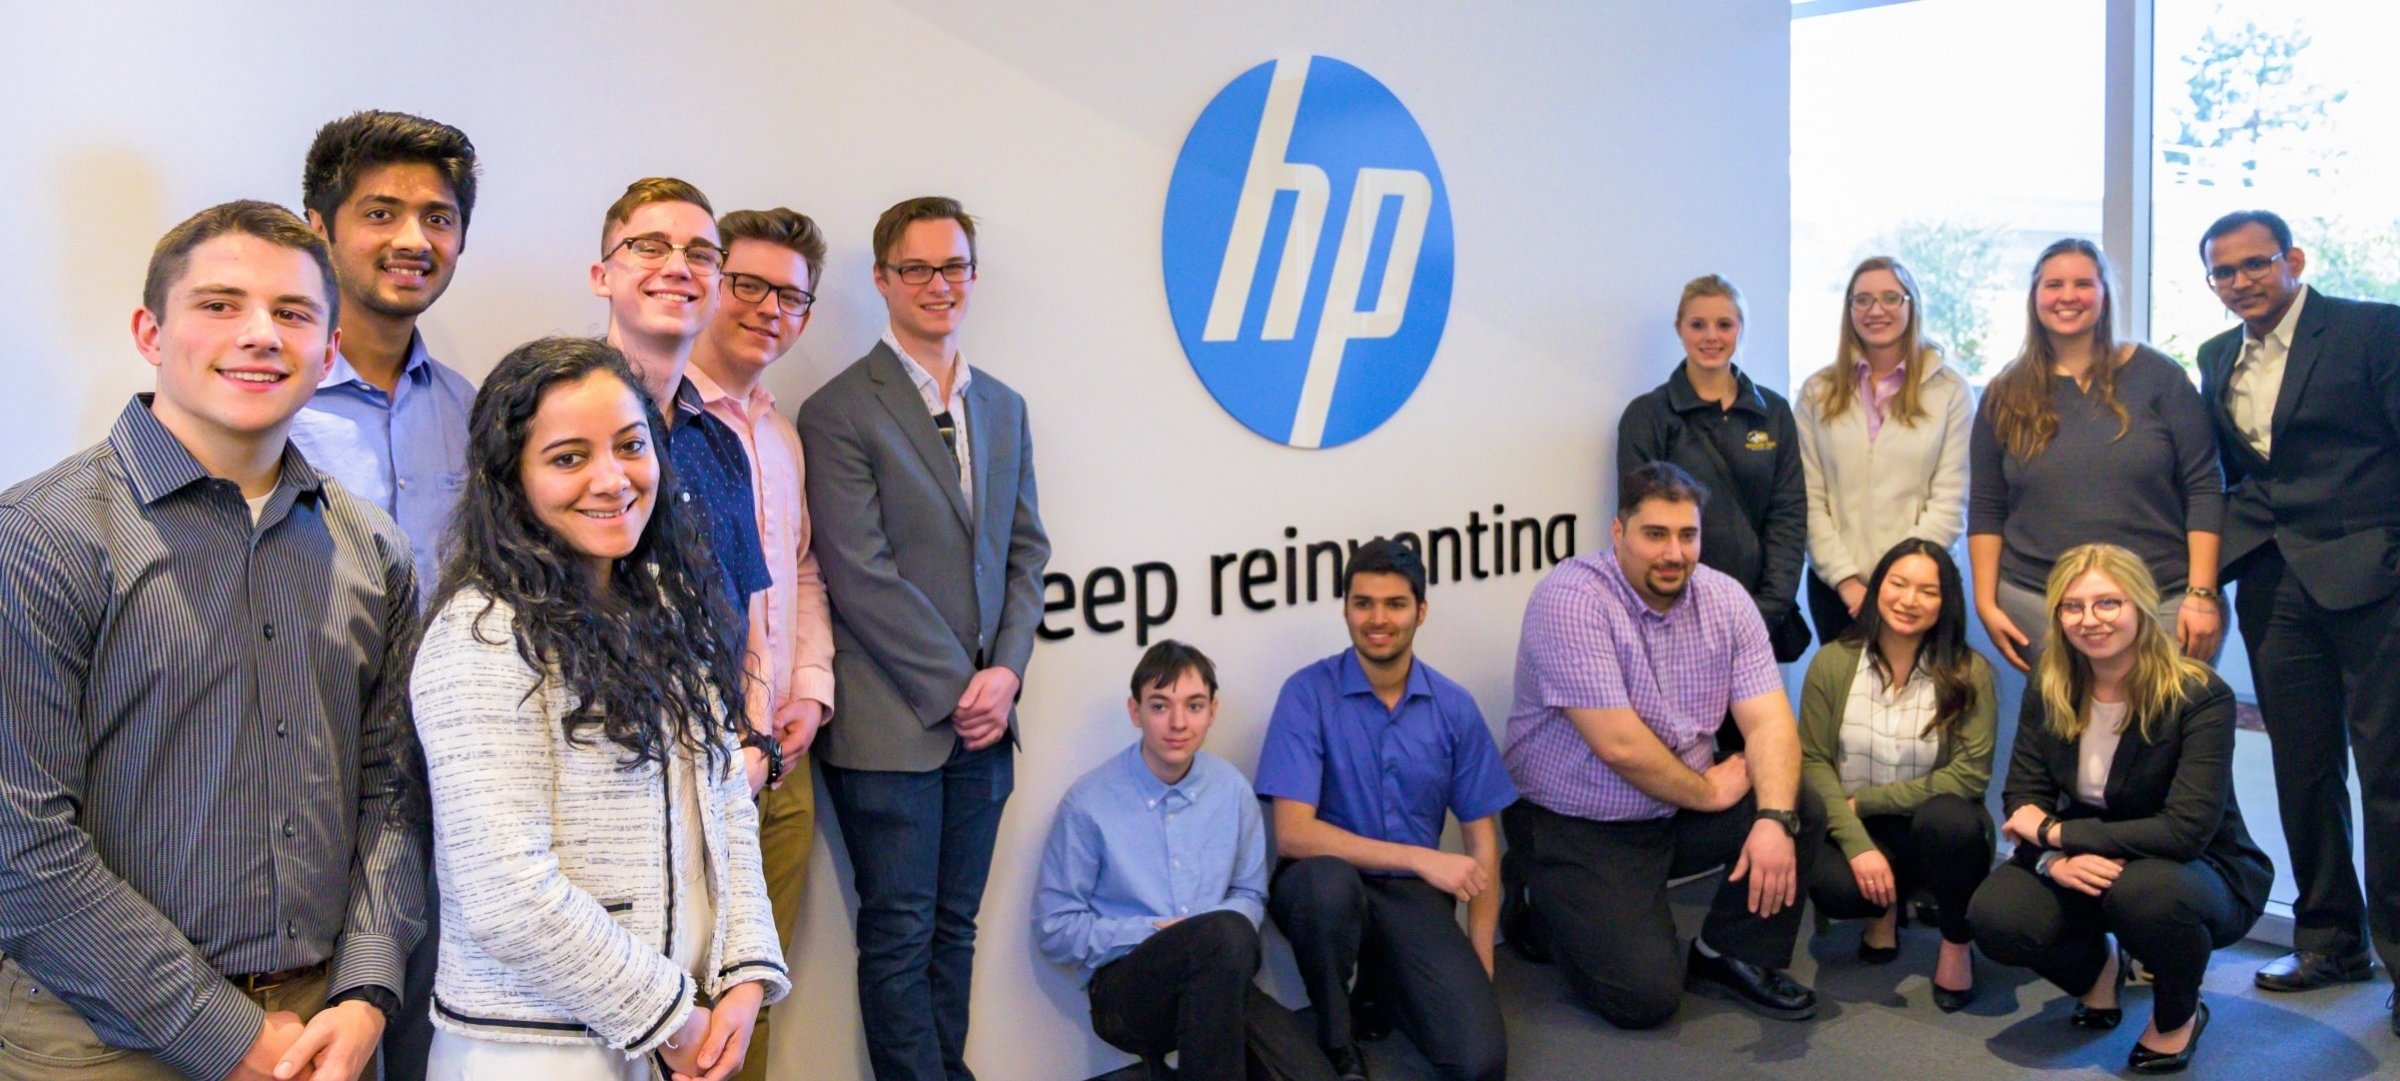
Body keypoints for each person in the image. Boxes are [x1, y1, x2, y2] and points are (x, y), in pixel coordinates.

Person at [0, 200, 420, 1081]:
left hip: (326, 1031)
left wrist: (367, 989)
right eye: (221, 304)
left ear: (329, 350)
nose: (262, 334)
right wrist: (226, 1034)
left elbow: (391, 791)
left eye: (295, 313)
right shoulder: (41, 536)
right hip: (102, 1033)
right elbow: (17, 840)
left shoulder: (371, 546)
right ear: (150, 331)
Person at [410, 336, 788, 1081]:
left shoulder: (665, 605)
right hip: (532, 1051)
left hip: (658, 1031)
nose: (612, 479)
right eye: (568, 457)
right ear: (509, 478)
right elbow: (508, 894)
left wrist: (744, 970)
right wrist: (676, 1019)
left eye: (630, 445)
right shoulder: (483, 635)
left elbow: (726, 805)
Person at [798, 196, 1050, 1081]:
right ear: (882, 280)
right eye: (917, 269)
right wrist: (962, 687)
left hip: (988, 722)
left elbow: (1027, 553)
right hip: (891, 727)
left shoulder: (1006, 407)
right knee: (900, 936)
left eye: (954, 268)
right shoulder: (837, 411)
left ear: (973, 277)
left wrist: (1007, 674)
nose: (938, 285)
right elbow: (860, 573)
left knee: (955, 927)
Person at [288, 108, 482, 1078]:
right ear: (320, 227)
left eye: (439, 217)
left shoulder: (477, 410)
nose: (414, 239)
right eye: (382, 212)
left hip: (448, 792)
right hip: (307, 789)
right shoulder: (262, 403)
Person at [1499, 461, 1826, 1030]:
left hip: (1671, 810)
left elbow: (1771, 723)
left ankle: (1731, 952)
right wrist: (1705, 792)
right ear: (1619, 533)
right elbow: (1620, 746)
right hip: (1578, 821)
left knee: (1798, 803)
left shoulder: (1725, 599)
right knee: (1644, 999)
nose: (1673, 553)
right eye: (1655, 535)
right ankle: (1538, 895)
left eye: (1687, 535)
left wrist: (1773, 817)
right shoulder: (1572, 598)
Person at [2193, 211, 2400, 1015]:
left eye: (2256, 264)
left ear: (2293, 260)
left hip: (2374, 580)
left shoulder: (2370, 331)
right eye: (2224, 272)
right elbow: (2233, 474)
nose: (2242, 281)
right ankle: (2329, 942)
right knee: (2303, 769)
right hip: (2276, 586)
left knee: (2389, 776)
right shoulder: (2216, 358)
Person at [1965, 544, 2270, 1075]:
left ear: (2140, 608)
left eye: (2108, 603)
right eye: (2073, 606)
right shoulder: (2050, 682)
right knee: (1997, 917)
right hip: (2089, 856)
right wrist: (2051, 860)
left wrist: (2060, 837)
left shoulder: (2199, 695)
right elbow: (2023, 798)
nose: (2090, 619)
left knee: (2145, 894)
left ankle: (2177, 1017)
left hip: (2194, 869)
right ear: (2058, 616)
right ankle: (2100, 974)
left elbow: (2185, 832)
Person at [1254, 538, 1514, 1081]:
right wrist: (1420, 858)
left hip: (1410, 899)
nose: (1378, 619)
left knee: (1480, 1064)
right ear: (1345, 608)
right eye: (1363, 603)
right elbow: (1294, 835)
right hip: (1323, 880)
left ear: (1420, 611)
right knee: (1326, 890)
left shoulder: (1453, 706)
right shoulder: (1306, 693)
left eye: (1395, 604)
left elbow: (1481, 842)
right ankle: (1337, 1039)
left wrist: (1480, 960)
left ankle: (1383, 987)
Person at [683, 205, 838, 1080]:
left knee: (757, 986)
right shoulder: (653, 422)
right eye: (747, 284)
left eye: (791, 296)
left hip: (786, 756)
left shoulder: (779, 435)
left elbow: (801, 569)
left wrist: (810, 690)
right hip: (698, 761)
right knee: (681, 992)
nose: (767, 308)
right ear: (709, 282)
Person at [1033, 641, 1337, 1081]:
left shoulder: (1232, 791)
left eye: (1194, 706)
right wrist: (1157, 933)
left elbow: (1249, 893)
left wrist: (1207, 936)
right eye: (1160, 706)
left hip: (1219, 972)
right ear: (1135, 712)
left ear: (1212, 710)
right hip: (1127, 993)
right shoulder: (1088, 803)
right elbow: (1055, 927)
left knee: (1308, 1073)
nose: (1178, 723)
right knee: (1220, 935)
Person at [590, 177, 781, 795]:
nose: (678, 267)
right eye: (649, 246)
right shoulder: (555, 429)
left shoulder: (723, 445)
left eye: (700, 254)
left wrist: (756, 747)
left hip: (726, 778)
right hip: (613, 778)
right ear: (602, 276)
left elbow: (749, 615)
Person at [1969, 238, 2224, 674]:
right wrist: (1986, 603)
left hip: (2160, 599)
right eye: (2054, 285)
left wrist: (2202, 595)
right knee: (2068, 735)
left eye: (2083, 283)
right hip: (2039, 603)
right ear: (2035, 297)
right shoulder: (2004, 392)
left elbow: (2204, 487)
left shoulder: (2160, 377)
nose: (2067, 296)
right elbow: (1987, 506)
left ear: (2105, 294)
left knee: (2161, 736)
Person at [1797, 539, 1995, 1010]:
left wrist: (1868, 802)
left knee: (1952, 820)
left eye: (1928, 590)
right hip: (1855, 824)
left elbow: (1969, 777)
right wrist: (1858, 843)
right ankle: (1882, 909)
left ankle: (1955, 943)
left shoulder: (1969, 671)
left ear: (1947, 601)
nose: (1909, 600)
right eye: (1898, 584)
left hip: (1930, 825)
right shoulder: (1833, 662)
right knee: (1836, 890)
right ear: (1877, 587)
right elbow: (1812, 761)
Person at [1616, 274, 1807, 665]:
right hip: (1675, 626)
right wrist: (1681, 619)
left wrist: (1765, 612)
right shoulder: (1647, 415)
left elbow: (1788, 516)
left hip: (1758, 622)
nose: (1711, 336)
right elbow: (1641, 528)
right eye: (1697, 324)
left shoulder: (1773, 413)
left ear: (1740, 330)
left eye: (1725, 324)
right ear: (1679, 329)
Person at [1793, 256, 1971, 644]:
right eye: (1863, 300)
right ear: (1849, 309)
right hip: (1840, 591)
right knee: (1844, 701)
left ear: (1912, 304)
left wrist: (1901, 583)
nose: (1877, 310)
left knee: (1928, 703)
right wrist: (1846, 582)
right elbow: (1807, 498)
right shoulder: (1817, 392)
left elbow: (1951, 499)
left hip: (1923, 590)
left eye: (1891, 297)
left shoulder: (1950, 391)